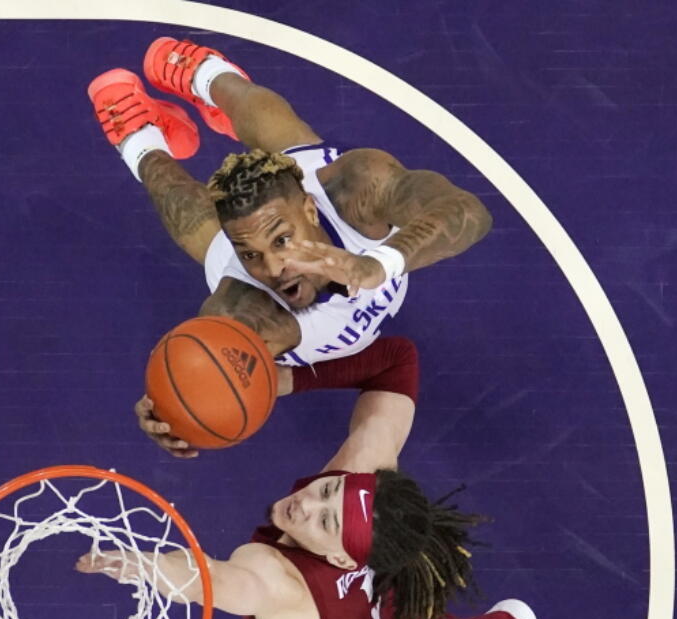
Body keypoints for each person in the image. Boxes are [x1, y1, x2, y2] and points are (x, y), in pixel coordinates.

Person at [76, 336, 537, 619]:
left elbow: (211, 581)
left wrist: (141, 565)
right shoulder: (360, 477)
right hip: (372, 589)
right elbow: (399, 359)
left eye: (326, 520)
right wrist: (280, 381)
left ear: (342, 559)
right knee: (399, 582)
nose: (308, 503)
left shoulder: (277, 580)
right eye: (328, 489)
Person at [87, 38, 493, 455]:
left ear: (310, 210)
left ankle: (204, 73)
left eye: (283, 240)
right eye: (252, 254)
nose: (275, 267)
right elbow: (199, 377)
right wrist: (167, 406)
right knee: (182, 207)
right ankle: (140, 140)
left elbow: (468, 213)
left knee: (261, 116)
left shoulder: (357, 189)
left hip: (320, 194)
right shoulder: (239, 311)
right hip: (254, 252)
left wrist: (376, 265)